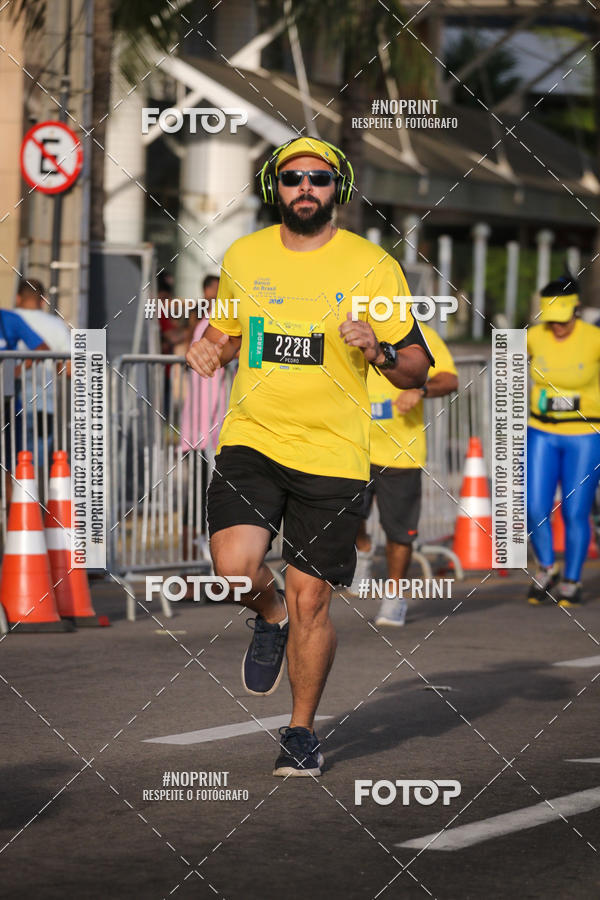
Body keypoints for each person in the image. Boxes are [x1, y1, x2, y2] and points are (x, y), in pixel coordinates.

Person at [186, 137, 433, 777]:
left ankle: (299, 731)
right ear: (276, 186)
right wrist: (208, 347)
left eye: (319, 178)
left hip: (334, 454)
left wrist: (378, 350)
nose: (305, 187)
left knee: (312, 601)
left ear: (337, 190)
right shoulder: (245, 256)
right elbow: (227, 333)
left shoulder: (372, 266)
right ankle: (267, 617)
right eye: (292, 177)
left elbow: (416, 367)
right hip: (254, 438)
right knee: (234, 569)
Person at [351, 322, 458, 625]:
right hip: (352, 448)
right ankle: (363, 549)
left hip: (400, 453)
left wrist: (420, 389)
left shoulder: (419, 334)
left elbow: (449, 379)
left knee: (399, 533)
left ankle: (394, 596)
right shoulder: (351, 328)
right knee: (345, 516)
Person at [526, 275, 600, 607]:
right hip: (541, 431)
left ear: (577, 310)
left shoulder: (594, 339)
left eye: (562, 320)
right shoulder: (533, 337)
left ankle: (572, 580)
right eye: (551, 320)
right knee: (534, 506)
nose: (556, 327)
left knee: (574, 510)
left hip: (585, 435)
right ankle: (547, 568)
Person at [14, 278, 71, 466]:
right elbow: (69, 369)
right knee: (34, 465)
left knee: (10, 461)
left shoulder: (8, 320)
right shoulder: (56, 325)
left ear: (18, 298)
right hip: (44, 406)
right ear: (43, 300)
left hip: (10, 402)